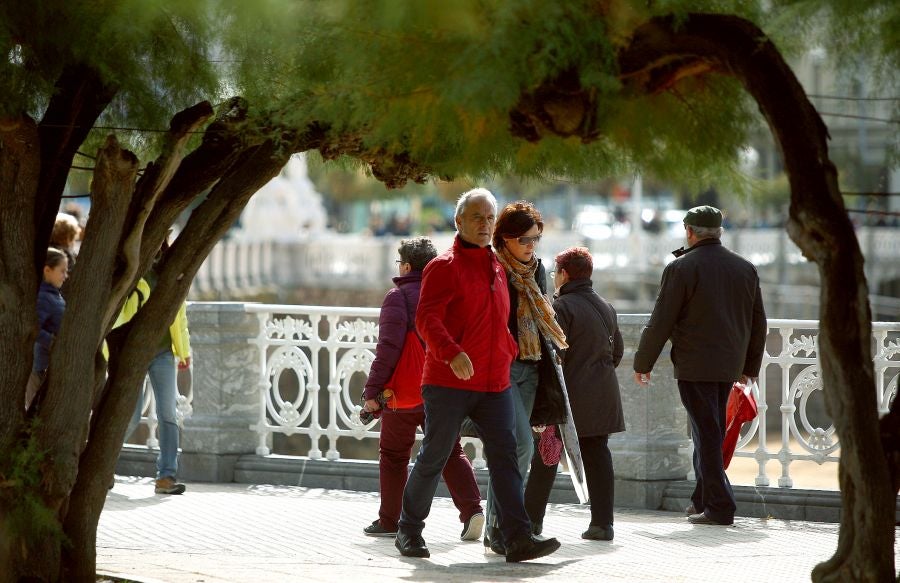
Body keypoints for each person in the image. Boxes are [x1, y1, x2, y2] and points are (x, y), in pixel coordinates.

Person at [395, 188, 560, 563]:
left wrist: (507, 349)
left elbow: (499, 321)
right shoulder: (443, 266)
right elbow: (427, 319)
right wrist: (452, 352)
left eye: (489, 218)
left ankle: (516, 538)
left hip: (494, 384)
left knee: (507, 457)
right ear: (459, 221)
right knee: (435, 455)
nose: (484, 224)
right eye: (476, 217)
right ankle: (408, 529)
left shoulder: (497, 268)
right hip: (447, 383)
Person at [633, 205, 767, 526]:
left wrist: (643, 362)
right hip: (729, 365)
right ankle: (701, 499)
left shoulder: (681, 268)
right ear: (719, 232)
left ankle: (720, 506)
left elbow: (661, 320)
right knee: (709, 429)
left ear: (689, 231)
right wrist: (750, 366)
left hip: (695, 365)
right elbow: (758, 322)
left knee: (706, 433)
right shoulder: (744, 268)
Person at [361, 237, 484, 540]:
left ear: (405, 266)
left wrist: (372, 392)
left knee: (394, 454)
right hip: (442, 387)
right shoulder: (447, 294)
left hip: (404, 393)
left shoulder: (397, 297)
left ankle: (390, 520)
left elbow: (388, 348)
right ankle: (472, 511)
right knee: (450, 449)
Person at [483, 201, 569, 554]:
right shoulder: (492, 268)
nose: (531, 245)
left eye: (535, 238)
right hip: (501, 369)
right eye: (524, 239)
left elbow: (540, 314)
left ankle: (496, 528)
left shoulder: (537, 269)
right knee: (518, 446)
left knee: (512, 450)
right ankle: (507, 529)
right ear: (504, 238)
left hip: (532, 366)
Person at [524, 247, 625, 540]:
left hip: (567, 398)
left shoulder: (561, 307)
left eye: (556, 272)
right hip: (603, 394)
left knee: (547, 456)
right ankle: (603, 524)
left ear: (565, 274)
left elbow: (554, 357)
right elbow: (617, 352)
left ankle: (531, 522)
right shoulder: (606, 307)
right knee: (598, 456)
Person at [116, 244, 192, 495]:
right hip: (133, 353)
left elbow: (180, 315)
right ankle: (100, 467)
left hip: (163, 353)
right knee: (130, 415)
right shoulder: (133, 271)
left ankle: (166, 476)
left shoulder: (172, 272)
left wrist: (184, 350)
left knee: (168, 414)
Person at [25, 248, 68, 411]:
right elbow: (34, 328)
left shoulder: (55, 295)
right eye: (62, 271)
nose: (65, 276)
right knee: (37, 415)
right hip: (40, 369)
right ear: (47, 270)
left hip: (49, 367)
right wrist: (53, 343)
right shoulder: (43, 297)